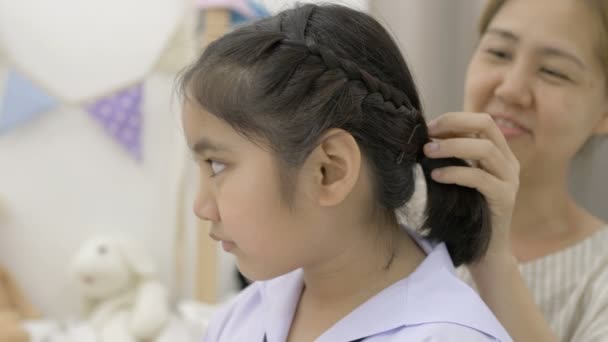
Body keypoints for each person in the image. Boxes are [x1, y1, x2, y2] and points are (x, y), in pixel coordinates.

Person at [179, 3, 512, 341]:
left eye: (217, 165)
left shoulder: (450, 336)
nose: (201, 207)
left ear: (329, 170)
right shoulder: (241, 317)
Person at [422, 0, 608, 340]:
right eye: (498, 52)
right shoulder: (390, 213)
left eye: (554, 71)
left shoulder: (598, 277)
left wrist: (492, 259)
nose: (510, 90)